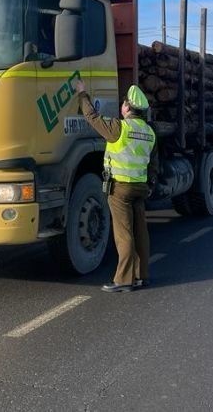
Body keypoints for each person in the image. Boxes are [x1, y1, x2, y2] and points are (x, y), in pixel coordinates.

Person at [75, 80, 158, 293]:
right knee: (141, 232)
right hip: (140, 187)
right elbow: (153, 164)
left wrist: (82, 94)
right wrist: (150, 184)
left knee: (124, 234)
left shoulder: (119, 128)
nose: (121, 106)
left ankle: (123, 280)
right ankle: (142, 276)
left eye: (123, 104)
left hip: (120, 189)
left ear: (128, 108)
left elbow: (92, 117)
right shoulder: (150, 133)